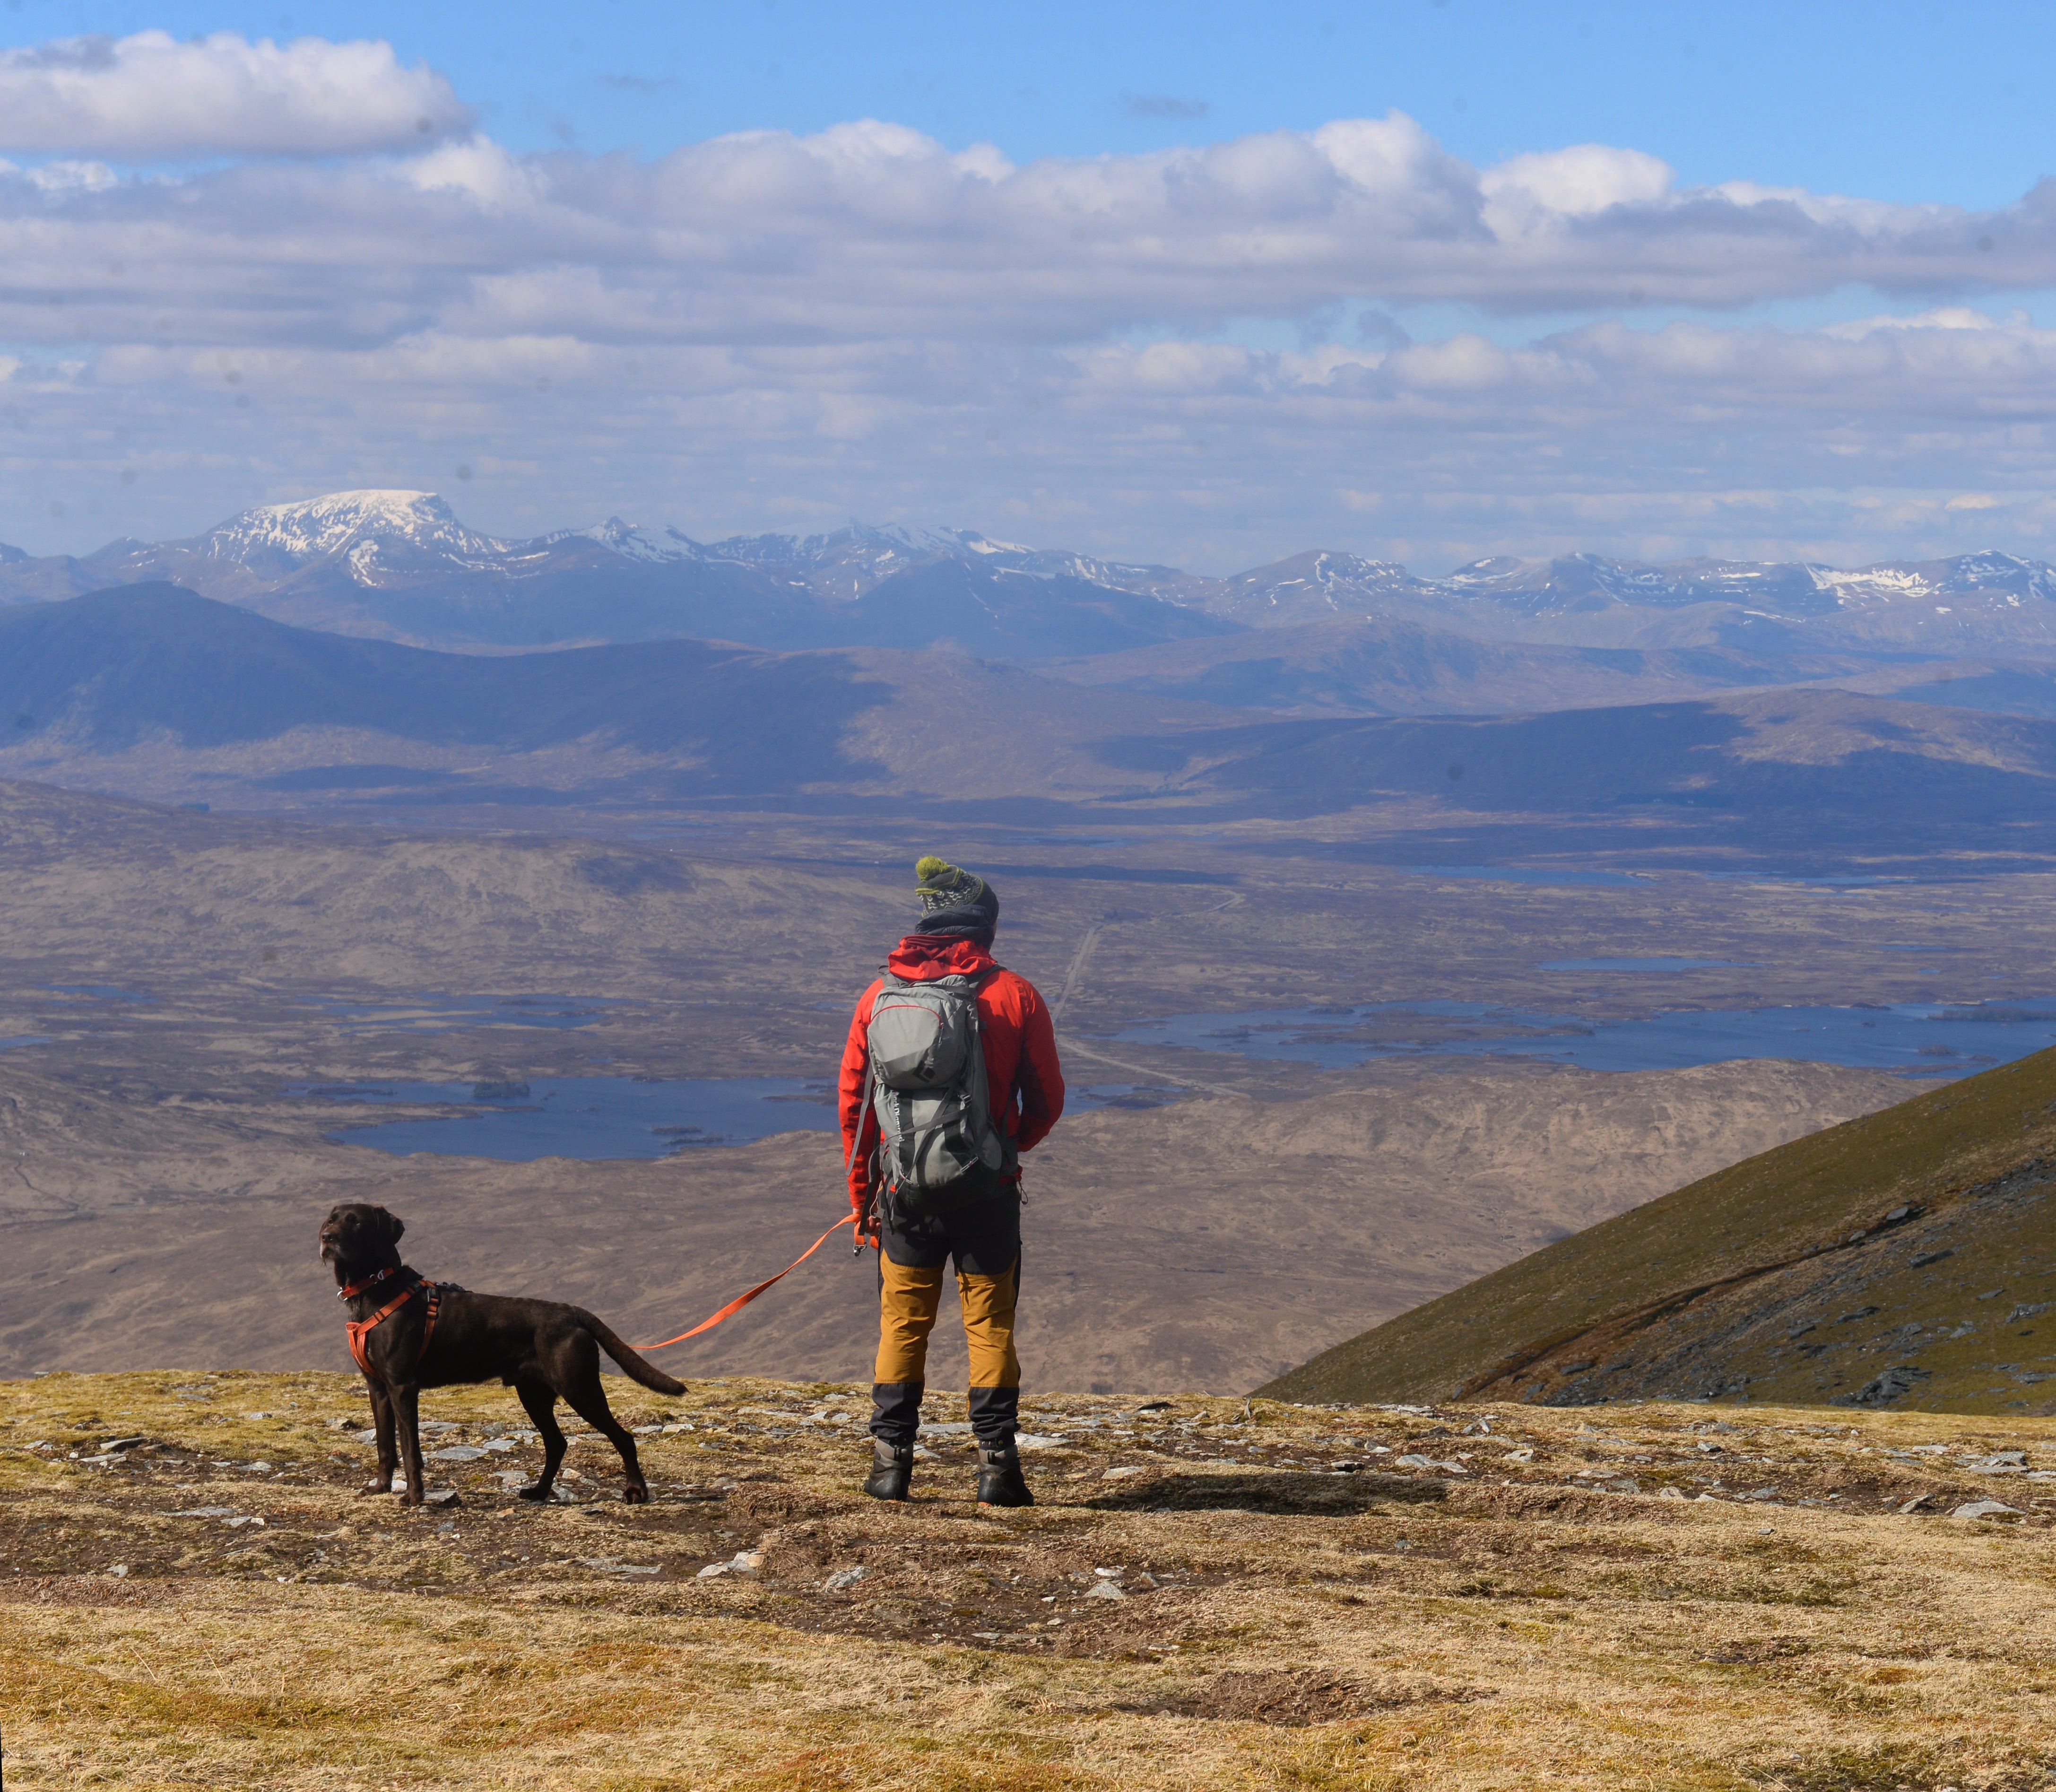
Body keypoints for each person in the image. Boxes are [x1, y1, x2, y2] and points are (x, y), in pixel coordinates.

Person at [839, 856, 1065, 1506]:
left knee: (901, 1324)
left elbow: (854, 1110)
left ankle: (889, 1468)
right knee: (988, 1326)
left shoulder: (878, 996)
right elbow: (1045, 1097)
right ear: (983, 926)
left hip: (904, 1195)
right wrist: (1004, 1149)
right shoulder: (1013, 994)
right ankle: (997, 1470)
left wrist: (864, 1199)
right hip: (985, 1194)